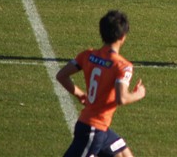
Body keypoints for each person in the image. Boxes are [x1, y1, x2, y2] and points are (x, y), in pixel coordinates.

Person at [56, 10, 146, 157]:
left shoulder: (87, 55)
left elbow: (61, 75)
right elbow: (122, 98)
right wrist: (139, 94)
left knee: (124, 154)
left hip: (99, 128)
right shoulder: (122, 66)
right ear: (122, 37)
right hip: (93, 130)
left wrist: (79, 94)